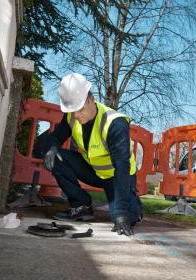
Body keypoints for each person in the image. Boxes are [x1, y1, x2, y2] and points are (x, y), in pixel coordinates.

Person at [43, 73, 143, 236]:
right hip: (93, 170)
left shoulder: (114, 123)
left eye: (80, 109)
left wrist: (120, 213)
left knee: (123, 217)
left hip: (116, 176)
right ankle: (81, 206)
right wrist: (52, 148)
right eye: (72, 110)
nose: (76, 115)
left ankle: (135, 210)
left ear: (91, 99)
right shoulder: (72, 116)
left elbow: (122, 167)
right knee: (56, 156)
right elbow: (55, 137)